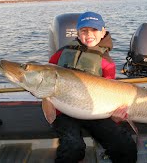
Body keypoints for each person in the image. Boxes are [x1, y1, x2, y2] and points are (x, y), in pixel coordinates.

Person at [48, 11, 137, 163]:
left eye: (94, 29)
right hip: (63, 110)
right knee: (72, 147)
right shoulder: (61, 53)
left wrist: (116, 114)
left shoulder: (107, 63)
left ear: (103, 32)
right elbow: (47, 75)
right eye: (84, 30)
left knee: (125, 145)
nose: (89, 34)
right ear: (78, 32)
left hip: (94, 112)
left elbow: (109, 94)